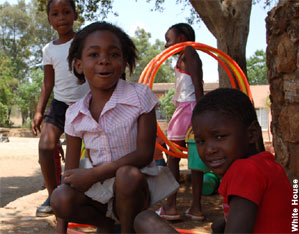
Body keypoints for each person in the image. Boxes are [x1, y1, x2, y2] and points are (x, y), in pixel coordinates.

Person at [50, 21, 179, 234]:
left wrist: (94, 174)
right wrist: (61, 229)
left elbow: (145, 154)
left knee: (126, 175)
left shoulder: (140, 96)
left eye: (114, 55)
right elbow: (70, 176)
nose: (104, 61)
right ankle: (106, 225)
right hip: (98, 196)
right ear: (79, 65)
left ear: (124, 62)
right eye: (93, 55)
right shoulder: (74, 113)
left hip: (134, 189)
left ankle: (127, 230)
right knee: (60, 196)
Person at [191, 88, 293, 233]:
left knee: (148, 221)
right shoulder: (266, 165)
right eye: (200, 141)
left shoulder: (245, 170)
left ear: (252, 134)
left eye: (220, 137)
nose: (209, 149)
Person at [31, 0, 89, 217]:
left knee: (88, 150)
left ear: (75, 15)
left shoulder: (85, 40)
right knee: (46, 147)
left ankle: (89, 196)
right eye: (55, 14)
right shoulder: (48, 49)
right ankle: (53, 195)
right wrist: (39, 111)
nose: (61, 17)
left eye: (66, 12)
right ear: (49, 20)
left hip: (86, 103)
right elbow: (48, 82)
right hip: (60, 105)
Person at [157, 23, 205, 221]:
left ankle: (171, 206)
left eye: (169, 40)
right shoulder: (183, 56)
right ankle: (195, 208)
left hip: (189, 109)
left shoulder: (188, 52)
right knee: (192, 160)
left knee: (173, 158)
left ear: (182, 37)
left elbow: (197, 84)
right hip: (188, 109)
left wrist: (200, 112)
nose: (167, 45)